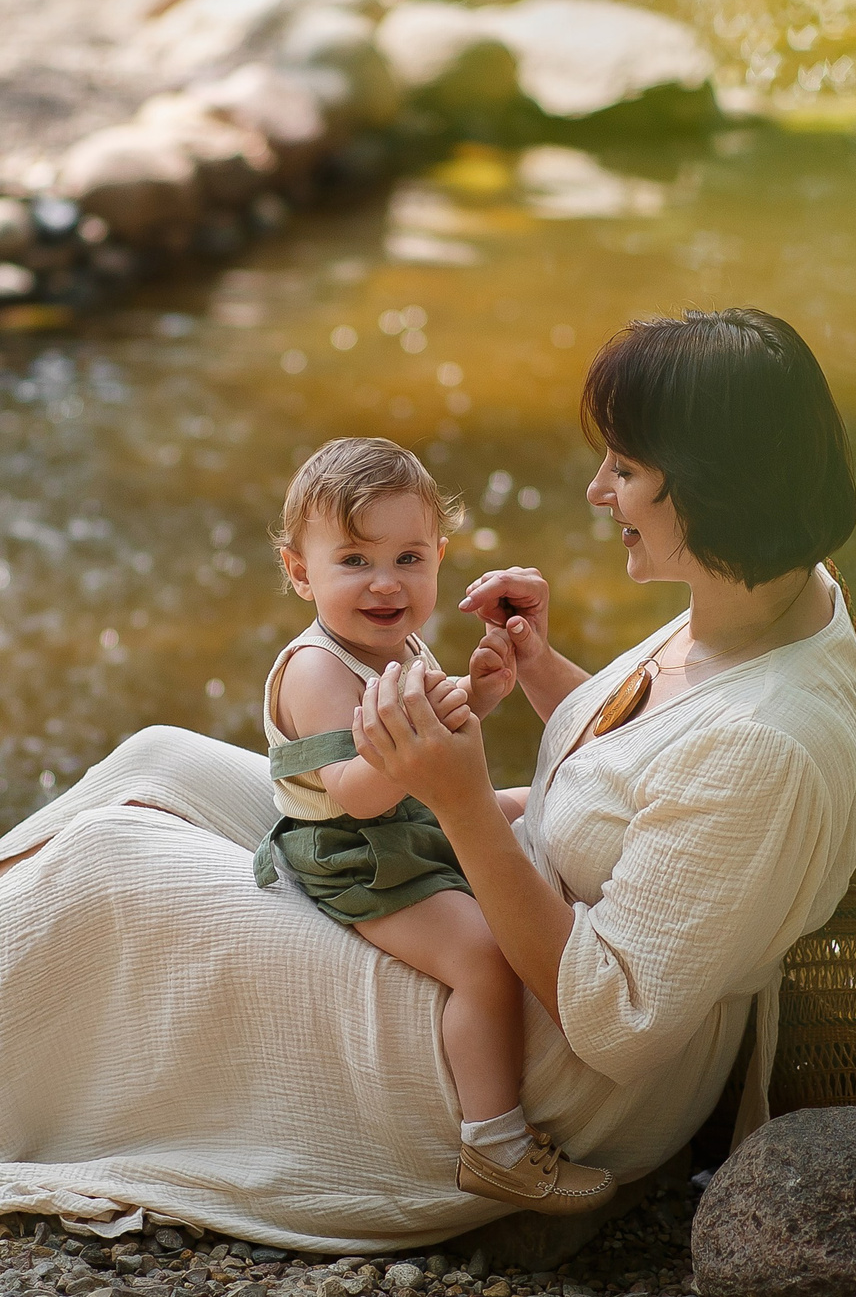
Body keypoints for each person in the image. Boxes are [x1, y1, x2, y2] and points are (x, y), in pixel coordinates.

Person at [0, 306, 856, 1255]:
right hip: (494, 898)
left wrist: (470, 802)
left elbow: (619, 1014)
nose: (599, 492)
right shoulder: (757, 600)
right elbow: (634, 764)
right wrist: (544, 670)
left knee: (118, 862)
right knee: (156, 758)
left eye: (628, 469)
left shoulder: (767, 740)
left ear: (710, 487)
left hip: (532, 1072)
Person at [255, 436, 614, 1216]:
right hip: (356, 854)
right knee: (484, 955)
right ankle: (495, 1145)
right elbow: (356, 789)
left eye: (409, 557)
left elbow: (427, 746)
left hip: (408, 814)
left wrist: (478, 697)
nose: (385, 583)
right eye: (353, 560)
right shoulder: (315, 668)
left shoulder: (399, 640)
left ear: (440, 557)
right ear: (299, 572)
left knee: (531, 798)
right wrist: (443, 725)